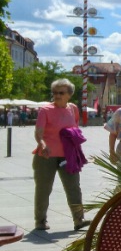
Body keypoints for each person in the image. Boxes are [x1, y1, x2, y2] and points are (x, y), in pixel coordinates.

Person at [32, 79, 88, 231]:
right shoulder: (46, 110)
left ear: (69, 95)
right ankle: (40, 221)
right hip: (46, 156)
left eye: (61, 93)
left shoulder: (73, 109)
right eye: (55, 93)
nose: (57, 95)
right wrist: (42, 144)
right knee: (44, 188)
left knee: (74, 187)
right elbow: (38, 133)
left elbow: (74, 129)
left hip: (67, 155)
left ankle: (78, 220)